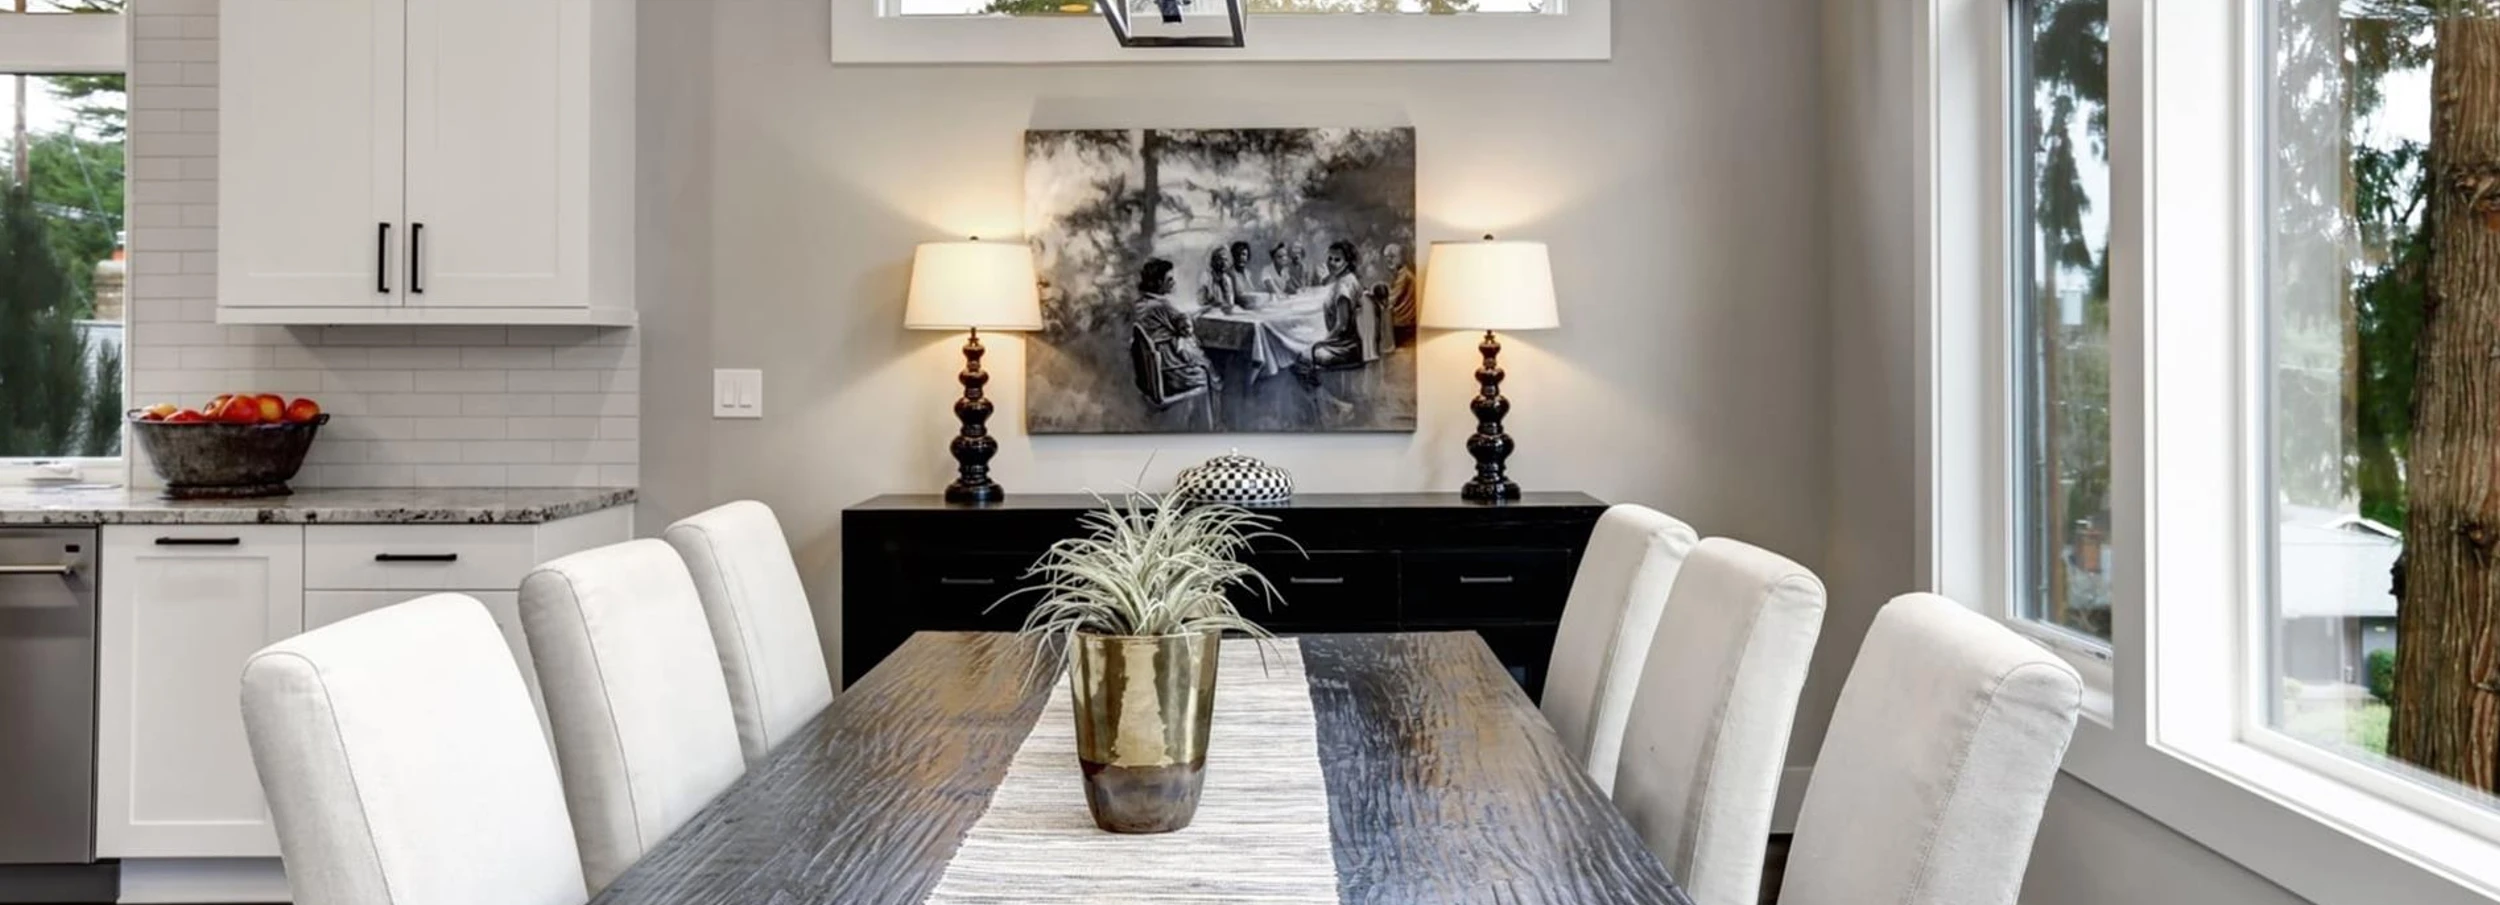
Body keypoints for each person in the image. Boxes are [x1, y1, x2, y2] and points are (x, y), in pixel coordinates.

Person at [1132, 259, 1214, 405]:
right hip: (1170, 372)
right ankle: (1210, 423)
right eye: (1169, 279)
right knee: (1209, 372)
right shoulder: (1163, 304)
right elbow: (1186, 329)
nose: (1173, 282)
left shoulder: (1141, 304)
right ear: (1158, 282)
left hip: (1150, 375)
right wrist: (1189, 317)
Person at [1378, 241, 1416, 352]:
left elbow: (1390, 300)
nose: (1389, 260)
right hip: (1402, 324)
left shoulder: (1404, 276)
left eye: (1392, 256)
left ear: (1401, 258)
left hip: (1404, 327)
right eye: (1386, 257)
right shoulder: (1400, 275)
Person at [1198, 246, 1237, 314]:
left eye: (1226, 260)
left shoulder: (1227, 279)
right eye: (1220, 259)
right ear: (1213, 261)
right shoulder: (1206, 277)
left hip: (1225, 314)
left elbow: (1230, 302)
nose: (1223, 263)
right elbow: (1200, 302)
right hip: (1209, 314)